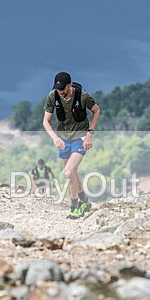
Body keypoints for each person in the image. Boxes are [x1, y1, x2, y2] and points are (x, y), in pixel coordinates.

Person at [42, 71, 101, 219]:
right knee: (73, 173)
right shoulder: (53, 96)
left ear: (70, 85)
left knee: (68, 172)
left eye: (63, 89)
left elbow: (96, 111)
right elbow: (45, 122)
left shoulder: (82, 96)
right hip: (63, 139)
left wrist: (89, 134)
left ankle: (74, 206)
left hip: (80, 137)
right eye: (58, 89)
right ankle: (84, 201)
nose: (60, 92)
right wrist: (55, 138)